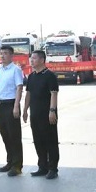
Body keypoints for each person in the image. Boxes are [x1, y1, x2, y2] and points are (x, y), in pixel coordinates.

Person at [23, 50, 59, 180]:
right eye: (31, 58)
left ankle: (53, 168)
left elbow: (54, 94)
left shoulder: (50, 75)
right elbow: (28, 94)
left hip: (47, 114)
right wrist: (25, 110)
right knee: (38, 140)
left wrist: (52, 111)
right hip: (35, 114)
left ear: (42, 60)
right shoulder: (31, 76)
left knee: (50, 141)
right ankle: (42, 166)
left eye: (34, 58)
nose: (31, 61)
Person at [0, 46, 24, 176]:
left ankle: (17, 166)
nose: (2, 56)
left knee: (14, 136)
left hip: (11, 104)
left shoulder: (15, 70)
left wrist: (16, 106)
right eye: (1, 53)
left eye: (5, 53)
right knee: (5, 135)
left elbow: (19, 88)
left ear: (12, 56)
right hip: (0, 104)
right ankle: (10, 161)